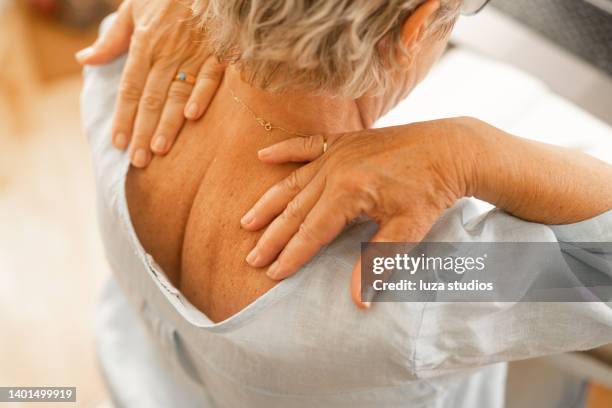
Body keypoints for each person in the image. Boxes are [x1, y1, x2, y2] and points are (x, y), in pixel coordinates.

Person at [80, 0, 612, 406]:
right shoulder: (409, 277)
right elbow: (603, 267)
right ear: (416, 26)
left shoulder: (129, 57)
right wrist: (472, 150)